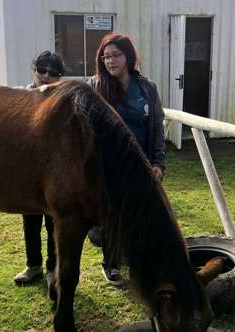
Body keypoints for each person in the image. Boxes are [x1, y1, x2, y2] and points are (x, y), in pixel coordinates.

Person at [87, 33, 166, 285]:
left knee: (140, 214)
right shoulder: (96, 86)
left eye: (116, 55)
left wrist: (158, 163)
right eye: (106, 56)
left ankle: (137, 261)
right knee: (112, 216)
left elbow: (157, 129)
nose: (110, 61)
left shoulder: (147, 87)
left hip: (142, 165)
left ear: (128, 56)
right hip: (109, 166)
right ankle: (110, 264)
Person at [11, 51, 66, 285]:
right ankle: (33, 266)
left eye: (53, 73)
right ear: (33, 70)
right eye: (41, 70)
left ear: (60, 77)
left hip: (55, 173)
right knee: (30, 221)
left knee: (55, 223)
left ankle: (54, 269)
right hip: (28, 172)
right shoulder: (19, 94)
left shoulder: (64, 100)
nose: (45, 76)